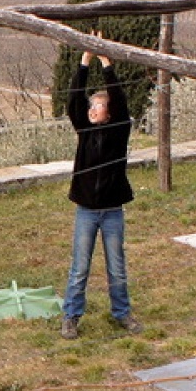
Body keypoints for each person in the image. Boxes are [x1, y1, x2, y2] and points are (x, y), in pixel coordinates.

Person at [60, 46, 140, 340]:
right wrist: (83, 63)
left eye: (97, 107)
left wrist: (106, 64)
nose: (91, 110)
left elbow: (120, 100)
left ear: (109, 114)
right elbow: (73, 102)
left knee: (116, 267)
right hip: (86, 210)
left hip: (112, 211)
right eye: (91, 107)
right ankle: (71, 316)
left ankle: (122, 313)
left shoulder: (119, 130)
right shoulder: (84, 130)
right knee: (79, 268)